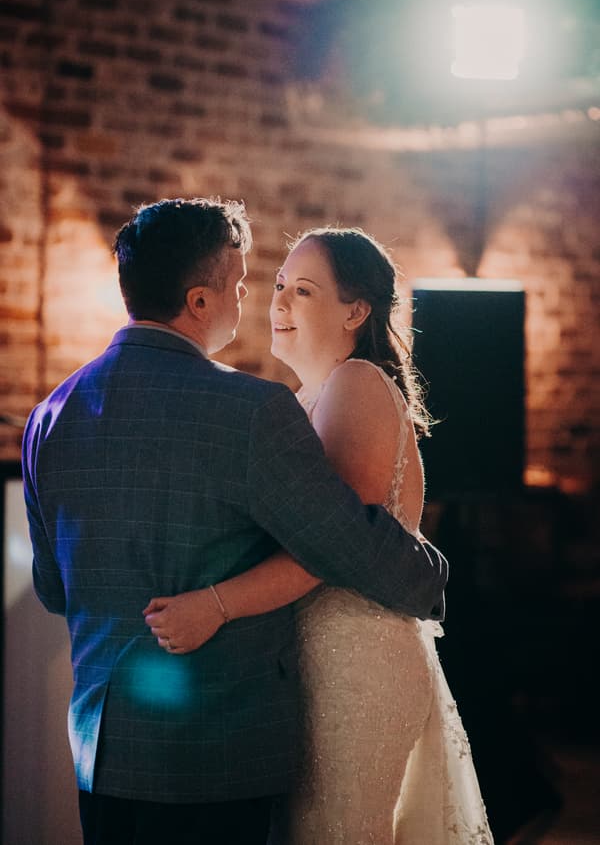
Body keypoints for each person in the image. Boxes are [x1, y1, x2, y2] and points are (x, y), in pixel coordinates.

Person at [21, 199, 448, 845]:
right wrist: (432, 573)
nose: (254, 300)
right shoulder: (251, 411)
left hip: (103, 755)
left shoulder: (49, 416)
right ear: (198, 301)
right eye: (243, 283)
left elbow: (54, 588)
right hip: (218, 757)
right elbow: (341, 540)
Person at [144, 227, 493, 844]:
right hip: (321, 660)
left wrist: (216, 606)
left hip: (354, 661)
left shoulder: (355, 383)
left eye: (303, 291)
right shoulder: (309, 397)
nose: (278, 303)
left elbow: (334, 544)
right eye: (278, 285)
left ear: (355, 311)